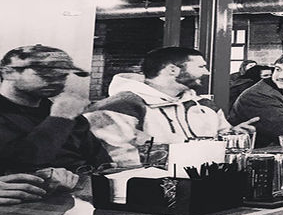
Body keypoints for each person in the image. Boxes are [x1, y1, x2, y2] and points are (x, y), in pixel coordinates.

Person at [84, 47, 257, 166]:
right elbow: (117, 162)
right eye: (201, 66)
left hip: (202, 189)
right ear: (173, 70)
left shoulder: (206, 106)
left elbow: (220, 146)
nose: (207, 72)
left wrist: (232, 135)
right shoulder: (119, 107)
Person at [0, 45, 111, 192]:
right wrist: (60, 119)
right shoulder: (62, 114)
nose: (56, 81)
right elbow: (23, 161)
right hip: (24, 203)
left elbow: (101, 162)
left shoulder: (66, 113)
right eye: (45, 75)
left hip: (78, 196)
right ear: (8, 73)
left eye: (62, 76)